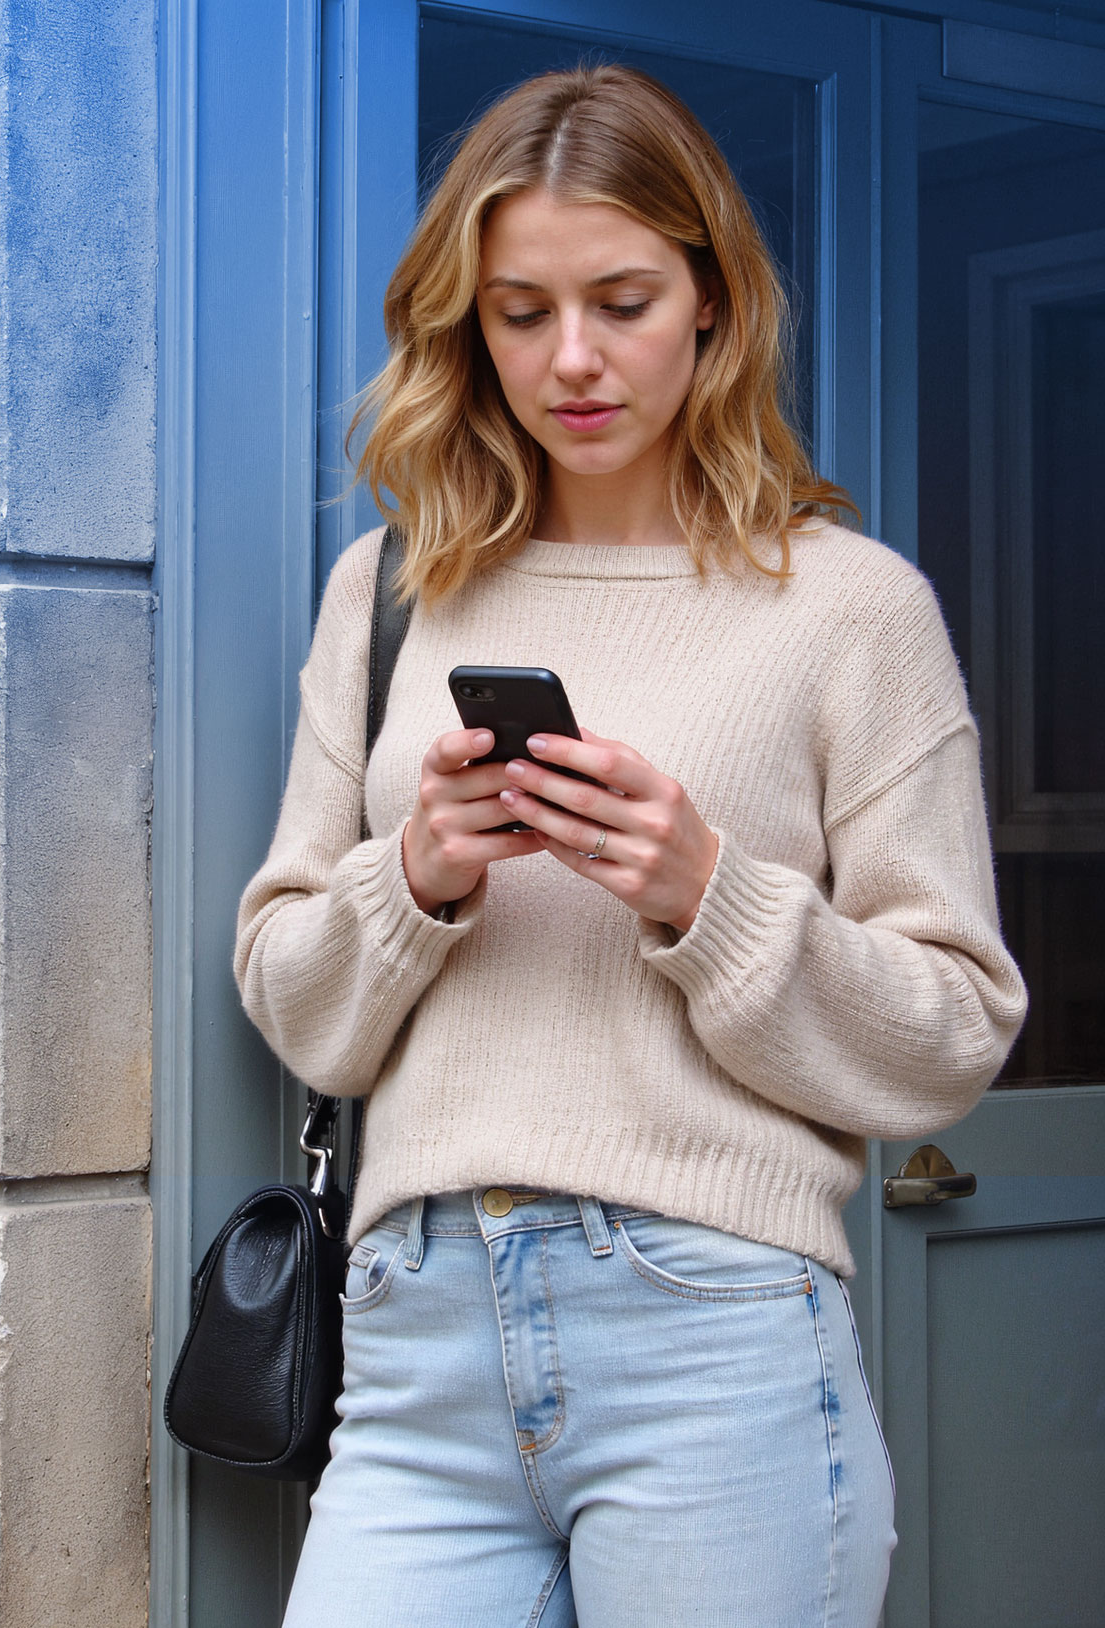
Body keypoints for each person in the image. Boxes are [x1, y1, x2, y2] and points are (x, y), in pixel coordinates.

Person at [235, 63, 1026, 1628]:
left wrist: (707, 895)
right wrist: (416, 879)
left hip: (712, 1331)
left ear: (716, 302)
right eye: (520, 313)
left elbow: (953, 1034)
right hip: (415, 1335)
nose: (572, 359)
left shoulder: (851, 608)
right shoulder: (390, 593)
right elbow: (288, 991)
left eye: (623, 300)